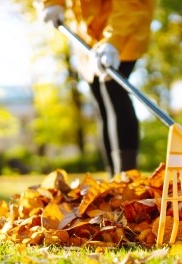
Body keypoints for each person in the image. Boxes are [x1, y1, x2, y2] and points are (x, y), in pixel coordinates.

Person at [38, 0, 155, 177]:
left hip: (122, 26)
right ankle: (114, 179)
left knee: (113, 90)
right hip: (86, 36)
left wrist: (113, 41)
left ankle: (127, 177)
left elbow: (131, 5)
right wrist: (53, 3)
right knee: (100, 100)